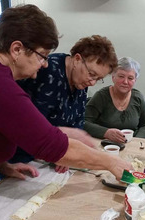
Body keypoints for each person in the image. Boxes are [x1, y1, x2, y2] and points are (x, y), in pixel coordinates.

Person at [0, 4, 132, 220]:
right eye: (42, 55)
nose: (46, 63)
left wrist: (2, 165)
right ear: (17, 49)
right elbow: (51, 145)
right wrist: (111, 163)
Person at [10, 35, 118, 173]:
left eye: (98, 79)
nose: (92, 82)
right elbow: (31, 126)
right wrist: (65, 142)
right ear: (77, 59)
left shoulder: (80, 79)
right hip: (21, 156)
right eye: (92, 74)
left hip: (48, 157)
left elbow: (77, 121)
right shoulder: (48, 72)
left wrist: (69, 150)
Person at [84, 57, 145, 143]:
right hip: (106, 145)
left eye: (130, 78)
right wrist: (105, 132)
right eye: (121, 76)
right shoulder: (101, 96)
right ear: (113, 77)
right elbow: (84, 122)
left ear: (135, 80)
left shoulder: (138, 97)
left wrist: (136, 140)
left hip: (131, 145)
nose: (125, 82)